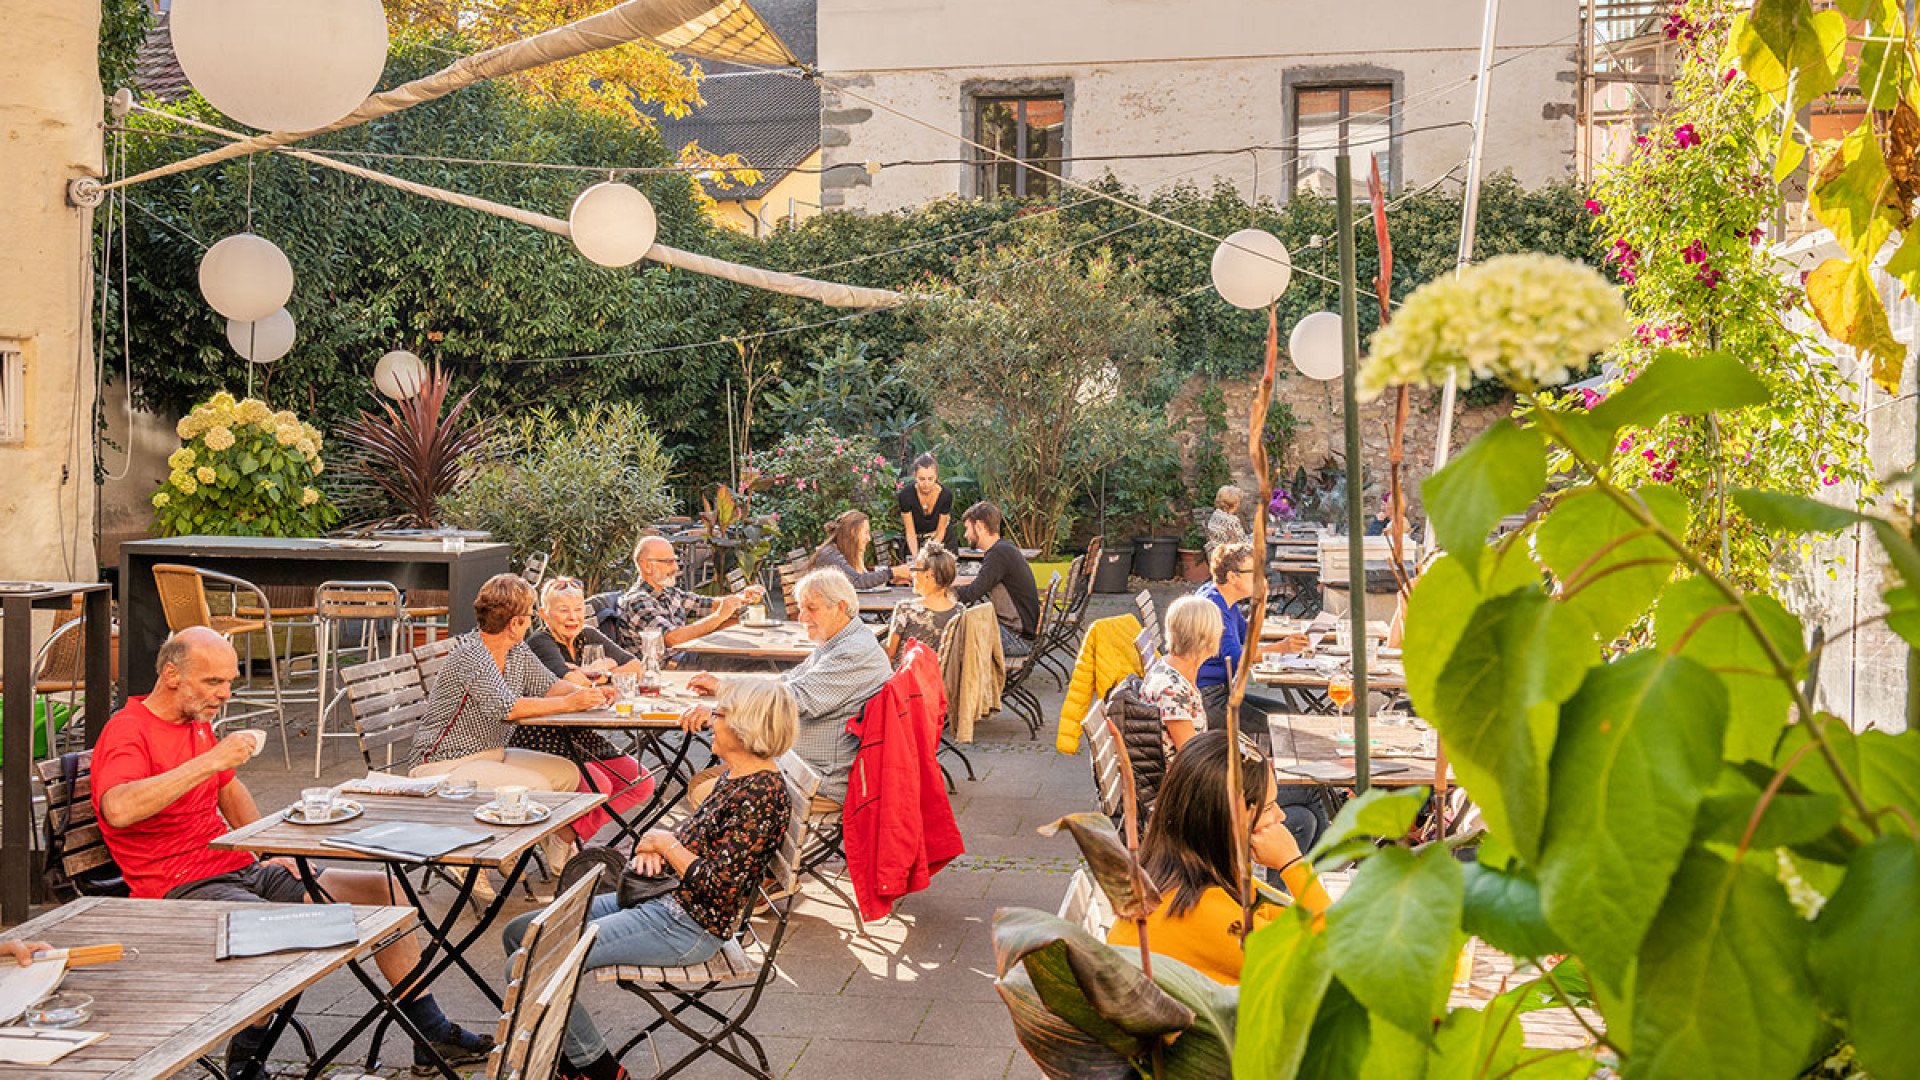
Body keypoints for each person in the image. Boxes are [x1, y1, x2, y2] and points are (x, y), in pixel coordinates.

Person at [93, 628, 493, 1078]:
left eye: (229, 682)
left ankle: (430, 1033)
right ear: (171, 675)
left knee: (388, 896)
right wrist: (210, 761)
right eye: (213, 683)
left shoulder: (196, 722)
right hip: (179, 889)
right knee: (280, 939)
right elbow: (119, 807)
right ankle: (246, 1062)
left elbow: (230, 790)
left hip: (240, 867)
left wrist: (268, 849)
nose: (225, 694)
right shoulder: (129, 730)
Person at [502, 679, 798, 1080]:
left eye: (720, 714)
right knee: (519, 932)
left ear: (747, 727)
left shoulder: (760, 793)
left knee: (532, 960)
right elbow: (698, 848)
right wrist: (654, 847)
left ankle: (599, 1071)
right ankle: (561, 1056)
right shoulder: (737, 776)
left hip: (688, 925)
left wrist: (665, 844)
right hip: (664, 901)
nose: (712, 720)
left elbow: (719, 885)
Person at [1106, 730, 1329, 986]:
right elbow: (1336, 956)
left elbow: (1281, 915)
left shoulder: (1177, 878)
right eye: (1268, 808)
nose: (1280, 817)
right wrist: (1292, 864)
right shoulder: (1200, 911)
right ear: (1225, 820)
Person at [686, 570, 889, 801]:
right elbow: (786, 681)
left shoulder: (853, 651)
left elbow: (789, 699)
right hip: (798, 767)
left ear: (841, 607)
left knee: (707, 792)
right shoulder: (841, 642)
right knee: (703, 781)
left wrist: (721, 708)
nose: (802, 618)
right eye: (801, 608)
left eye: (811, 608)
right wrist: (725, 686)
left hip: (816, 781)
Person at [409, 574, 608, 794]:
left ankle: (550, 829)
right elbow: (506, 708)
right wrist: (570, 703)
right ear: (515, 624)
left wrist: (590, 695)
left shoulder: (516, 650)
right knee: (536, 786)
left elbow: (550, 686)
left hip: (492, 753)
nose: (532, 621)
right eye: (531, 615)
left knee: (567, 773)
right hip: (444, 762)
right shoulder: (472, 654)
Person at [521, 578, 657, 843]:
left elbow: (635, 666)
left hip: (578, 737)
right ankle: (560, 840)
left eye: (578, 610)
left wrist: (598, 671)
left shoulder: (588, 636)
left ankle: (565, 835)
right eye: (563, 610)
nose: (573, 617)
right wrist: (602, 672)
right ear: (544, 614)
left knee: (640, 781)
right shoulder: (541, 642)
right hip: (542, 737)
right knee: (600, 785)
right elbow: (569, 684)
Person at [617, 536, 764, 651]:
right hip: (668, 671)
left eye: (675, 561)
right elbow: (673, 639)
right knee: (753, 663)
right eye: (668, 562)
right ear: (647, 566)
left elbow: (709, 604)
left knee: (754, 654)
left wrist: (742, 598)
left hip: (689, 656)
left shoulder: (669, 593)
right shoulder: (637, 601)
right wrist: (719, 616)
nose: (675, 567)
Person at [952, 501, 1040, 657]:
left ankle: (964, 681)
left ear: (979, 526)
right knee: (962, 625)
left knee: (954, 633)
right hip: (1018, 632)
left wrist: (941, 592)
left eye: (967, 529)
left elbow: (972, 593)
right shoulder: (1003, 549)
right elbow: (980, 585)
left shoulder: (998, 554)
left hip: (1016, 639)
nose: (965, 535)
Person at [1142, 595, 1222, 758]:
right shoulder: (1173, 691)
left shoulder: (1169, 667)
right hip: (1184, 779)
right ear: (1206, 637)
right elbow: (1192, 757)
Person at [1194, 542, 1256, 731]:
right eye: (1254, 571)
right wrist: (1281, 649)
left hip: (1222, 690)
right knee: (1279, 722)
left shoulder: (1224, 599)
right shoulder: (1214, 607)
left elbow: (1246, 635)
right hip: (1209, 699)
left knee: (1281, 712)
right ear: (1232, 577)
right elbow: (1237, 659)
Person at [885, 541, 962, 662]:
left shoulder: (906, 610)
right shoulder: (960, 611)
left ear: (929, 575)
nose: (912, 575)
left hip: (909, 678)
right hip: (942, 679)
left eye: (915, 569)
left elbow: (889, 655)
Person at [808, 510, 894, 590]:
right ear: (853, 532)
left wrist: (891, 579)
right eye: (866, 533)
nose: (869, 538)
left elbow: (862, 577)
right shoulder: (830, 554)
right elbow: (858, 581)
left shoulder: (842, 551)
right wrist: (892, 573)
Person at [897, 453, 953, 556]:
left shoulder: (945, 495)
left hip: (940, 539)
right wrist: (917, 557)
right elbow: (910, 532)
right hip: (915, 539)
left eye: (930, 479)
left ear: (936, 476)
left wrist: (928, 554)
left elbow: (941, 531)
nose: (926, 484)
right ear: (915, 476)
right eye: (922, 479)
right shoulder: (905, 495)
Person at [1205, 485, 1250, 558]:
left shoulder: (1216, 514)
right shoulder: (1232, 520)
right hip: (1231, 558)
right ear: (1235, 503)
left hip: (1216, 556)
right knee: (1268, 548)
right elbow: (1244, 544)